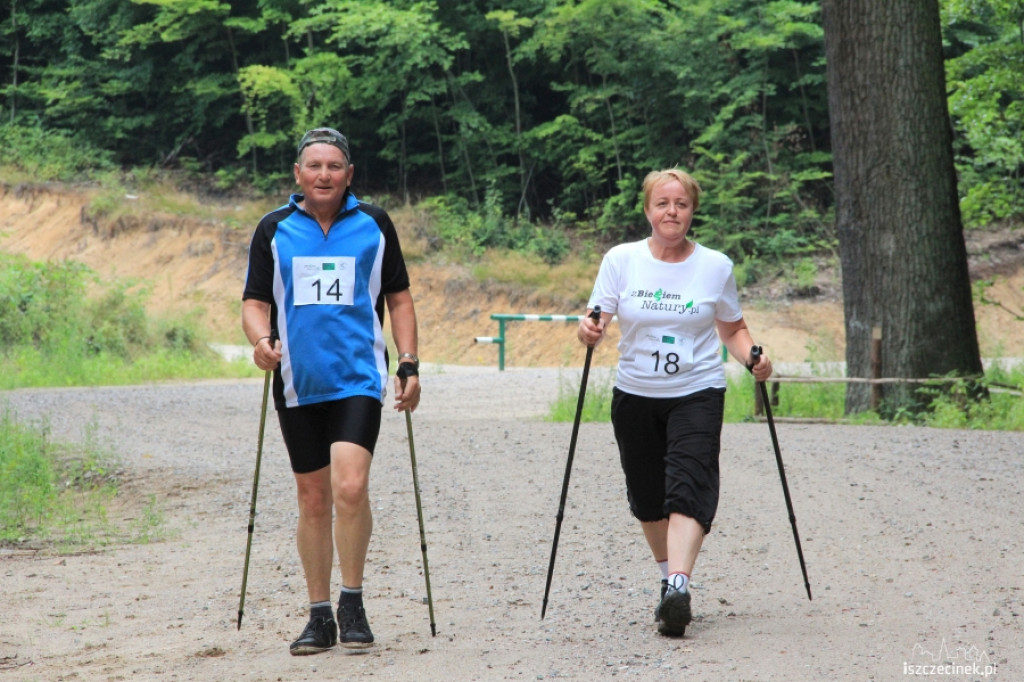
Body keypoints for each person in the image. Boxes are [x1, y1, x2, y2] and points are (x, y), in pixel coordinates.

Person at [241, 127, 421, 655]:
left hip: (358, 378)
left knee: (350, 486)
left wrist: (408, 361)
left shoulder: (374, 224)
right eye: (315, 166)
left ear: (349, 174)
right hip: (298, 382)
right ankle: (319, 614)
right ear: (298, 173)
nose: (324, 175)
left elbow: (399, 298)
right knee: (314, 498)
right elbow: (254, 302)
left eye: (334, 166)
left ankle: (352, 601)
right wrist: (261, 341)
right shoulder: (273, 228)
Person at [577, 168, 772, 638]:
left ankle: (680, 585)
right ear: (648, 210)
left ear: (692, 211)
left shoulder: (715, 266)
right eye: (662, 203)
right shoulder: (621, 260)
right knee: (648, 497)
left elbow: (732, 328)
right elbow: (595, 319)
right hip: (635, 393)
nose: (672, 211)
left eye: (681, 204)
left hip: (697, 391)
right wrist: (588, 331)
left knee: (689, 483)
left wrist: (753, 357)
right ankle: (669, 583)